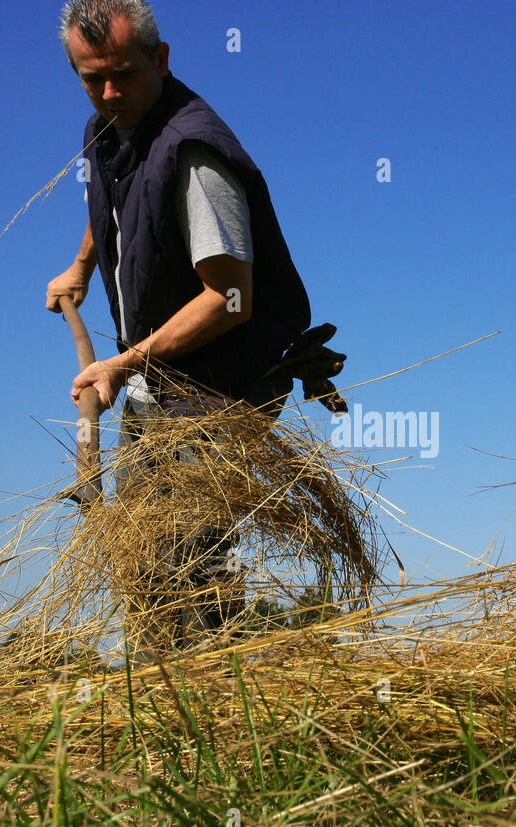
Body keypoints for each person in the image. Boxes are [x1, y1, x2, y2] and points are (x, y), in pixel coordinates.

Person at [45, 0, 340, 656]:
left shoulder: (194, 152)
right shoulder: (110, 127)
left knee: (177, 559)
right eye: (93, 78)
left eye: (124, 73)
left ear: (163, 58)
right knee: (146, 568)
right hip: (162, 376)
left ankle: (206, 712)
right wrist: (82, 263)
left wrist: (121, 365)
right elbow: (119, 196)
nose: (110, 91)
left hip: (222, 382)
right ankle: (166, 709)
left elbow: (231, 297)